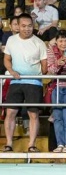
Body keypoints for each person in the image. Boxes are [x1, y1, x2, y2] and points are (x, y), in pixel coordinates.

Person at [3, 13, 48, 153]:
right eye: (23, 26)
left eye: (29, 26)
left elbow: (44, 65)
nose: (27, 29)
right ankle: (9, 143)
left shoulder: (39, 42)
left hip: (34, 82)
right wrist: (11, 71)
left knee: (33, 114)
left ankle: (32, 144)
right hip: (16, 82)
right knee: (10, 112)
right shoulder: (11, 40)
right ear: (18, 26)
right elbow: (7, 59)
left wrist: (40, 75)